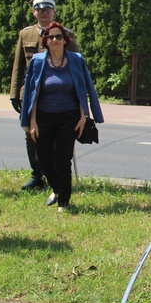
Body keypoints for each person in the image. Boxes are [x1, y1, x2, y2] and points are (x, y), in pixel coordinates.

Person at [20, 22, 103, 212]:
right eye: (51, 37)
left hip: (69, 117)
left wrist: (83, 116)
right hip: (43, 117)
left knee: (63, 160)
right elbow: (32, 94)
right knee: (43, 158)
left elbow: (83, 89)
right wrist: (32, 121)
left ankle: (63, 202)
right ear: (46, 41)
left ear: (65, 40)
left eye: (59, 37)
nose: (55, 40)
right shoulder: (38, 61)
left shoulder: (76, 59)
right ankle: (57, 189)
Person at [10, 0, 80, 191]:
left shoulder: (64, 33)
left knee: (57, 140)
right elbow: (18, 65)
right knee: (31, 136)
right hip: (31, 95)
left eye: (48, 10)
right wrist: (14, 93)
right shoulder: (26, 34)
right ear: (34, 13)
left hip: (56, 95)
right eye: (40, 10)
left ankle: (55, 178)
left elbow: (76, 64)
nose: (44, 13)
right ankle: (37, 176)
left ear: (53, 12)